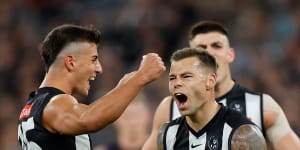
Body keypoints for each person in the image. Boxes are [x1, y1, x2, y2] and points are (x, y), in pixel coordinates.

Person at [142, 20, 300, 150]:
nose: (209, 53)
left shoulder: (261, 106)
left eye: (216, 46)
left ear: (230, 54)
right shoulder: (168, 109)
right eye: (201, 49)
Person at [17, 24, 166, 150]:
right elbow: (88, 119)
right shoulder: (54, 104)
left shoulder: (33, 105)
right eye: (93, 59)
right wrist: (141, 78)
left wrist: (123, 87)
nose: (99, 68)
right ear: (70, 62)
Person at [158, 47, 266, 149]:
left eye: (186, 76)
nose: (176, 83)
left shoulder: (242, 135)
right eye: (172, 78)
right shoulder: (168, 134)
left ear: (210, 81)